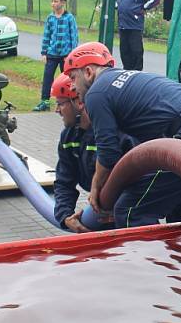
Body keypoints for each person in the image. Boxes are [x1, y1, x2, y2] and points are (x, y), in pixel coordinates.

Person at [65, 41, 181, 229]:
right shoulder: (126, 79)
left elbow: (108, 152)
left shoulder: (96, 93)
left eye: (73, 78)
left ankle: (147, 258)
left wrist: (96, 188)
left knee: (131, 210)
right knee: (180, 210)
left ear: (88, 72)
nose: (72, 87)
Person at [51, 73, 137, 231]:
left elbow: (138, 184)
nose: (57, 110)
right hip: (101, 211)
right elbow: (64, 182)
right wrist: (65, 217)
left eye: (60, 104)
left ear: (78, 102)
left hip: (129, 214)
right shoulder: (69, 137)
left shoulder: (117, 136)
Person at [33, 0, 79, 112]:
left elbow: (74, 37)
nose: (53, 3)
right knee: (48, 77)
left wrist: (71, 55)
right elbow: (46, 35)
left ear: (63, 2)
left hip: (65, 55)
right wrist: (44, 52)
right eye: (52, 1)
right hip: (52, 53)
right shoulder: (50, 18)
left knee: (67, 79)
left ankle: (70, 101)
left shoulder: (69, 18)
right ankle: (45, 101)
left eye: (56, 1)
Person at [115, 0, 159, 71]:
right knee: (124, 51)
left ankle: (137, 73)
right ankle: (127, 71)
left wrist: (144, 7)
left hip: (135, 25)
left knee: (136, 50)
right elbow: (117, 0)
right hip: (123, 24)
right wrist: (118, 6)